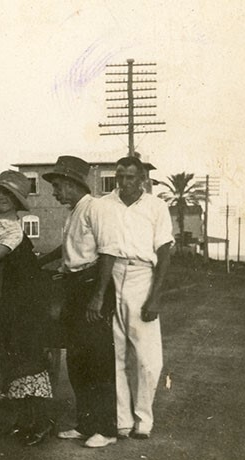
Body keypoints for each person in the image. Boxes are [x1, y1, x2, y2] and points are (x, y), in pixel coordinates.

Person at [91, 155, 174, 440]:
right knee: (116, 354)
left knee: (148, 359)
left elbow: (164, 252)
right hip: (111, 275)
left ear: (142, 180)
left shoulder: (156, 206)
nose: (124, 182)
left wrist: (156, 297)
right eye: (120, 176)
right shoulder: (103, 205)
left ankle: (144, 419)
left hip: (142, 276)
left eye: (130, 177)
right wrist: (99, 293)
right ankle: (122, 421)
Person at [0, 170, 56, 446]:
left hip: (26, 300)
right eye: (0, 192)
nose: (4, 198)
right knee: (11, 359)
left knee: (28, 359)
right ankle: (23, 421)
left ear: (19, 201)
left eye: (11, 195)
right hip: (6, 298)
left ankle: (42, 422)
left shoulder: (15, 229)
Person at [43, 155, 119, 448]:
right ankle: (86, 424)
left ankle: (107, 429)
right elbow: (68, 248)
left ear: (74, 185)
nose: (55, 192)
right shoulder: (74, 211)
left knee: (98, 359)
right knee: (77, 360)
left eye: (58, 186)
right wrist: (43, 261)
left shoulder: (96, 208)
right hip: (74, 286)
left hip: (92, 285)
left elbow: (109, 252)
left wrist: (98, 297)